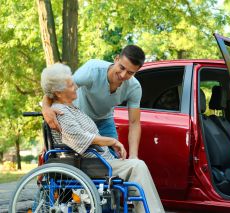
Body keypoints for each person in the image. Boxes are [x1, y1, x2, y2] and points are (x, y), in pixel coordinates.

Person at [40, 63, 165, 213]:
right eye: (71, 85)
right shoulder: (61, 112)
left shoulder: (71, 108)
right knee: (137, 166)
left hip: (95, 160)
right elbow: (79, 138)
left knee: (135, 166)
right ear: (59, 93)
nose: (76, 86)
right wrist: (112, 141)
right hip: (88, 163)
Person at [42, 45, 145, 159]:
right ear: (116, 59)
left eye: (130, 73)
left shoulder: (134, 88)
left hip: (104, 120)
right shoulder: (92, 70)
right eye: (121, 67)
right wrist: (45, 108)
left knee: (114, 159)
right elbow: (60, 89)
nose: (123, 75)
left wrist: (134, 156)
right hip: (80, 119)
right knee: (81, 160)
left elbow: (134, 123)